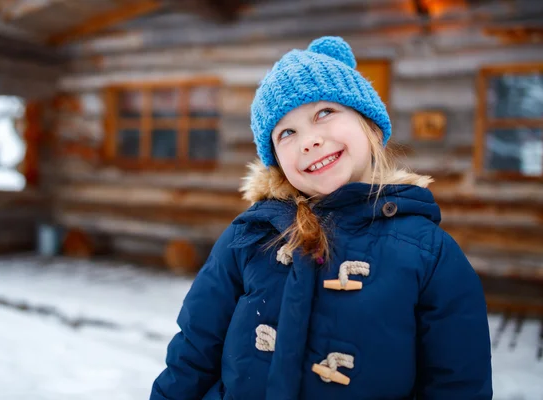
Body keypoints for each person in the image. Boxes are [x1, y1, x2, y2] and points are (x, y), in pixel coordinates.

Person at [150, 36, 492, 400]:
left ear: (370, 125)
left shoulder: (428, 251)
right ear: (277, 161)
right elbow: (192, 353)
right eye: (287, 133)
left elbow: (457, 383)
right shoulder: (249, 237)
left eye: (324, 113)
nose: (309, 141)